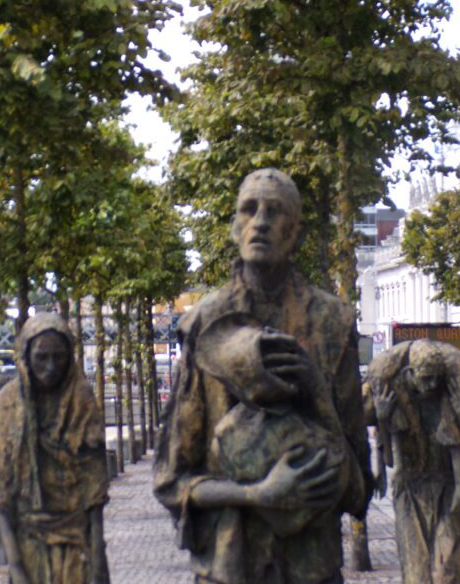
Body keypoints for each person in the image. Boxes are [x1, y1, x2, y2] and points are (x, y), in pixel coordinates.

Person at [154, 168, 371, 584]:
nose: (261, 222)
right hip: (229, 563)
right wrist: (259, 495)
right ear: (235, 227)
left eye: (275, 211)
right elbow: (171, 480)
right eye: (248, 209)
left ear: (298, 233)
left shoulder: (332, 321)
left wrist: (315, 390)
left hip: (311, 565)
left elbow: (357, 488)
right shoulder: (204, 323)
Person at [0, 313, 110, 584]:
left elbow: (95, 489)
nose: (51, 366)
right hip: (29, 541)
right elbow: (0, 491)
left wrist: (98, 555)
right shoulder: (9, 402)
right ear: (26, 357)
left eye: (59, 356)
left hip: (77, 541)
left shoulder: (82, 400)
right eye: (42, 357)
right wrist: (16, 566)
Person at [368, 339, 460, 584]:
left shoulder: (444, 394)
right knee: (416, 565)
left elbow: (459, 442)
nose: (431, 385)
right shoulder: (395, 394)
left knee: (449, 564)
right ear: (410, 373)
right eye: (426, 378)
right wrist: (382, 417)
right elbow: (388, 447)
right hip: (410, 483)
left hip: (445, 483)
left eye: (435, 378)